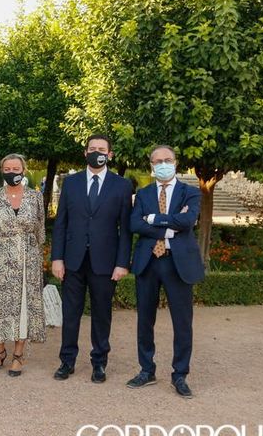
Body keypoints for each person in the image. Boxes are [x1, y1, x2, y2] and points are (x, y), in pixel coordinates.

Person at [50, 135, 133, 383]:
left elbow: (125, 229)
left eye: (101, 149)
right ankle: (67, 361)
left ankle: (99, 362)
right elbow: (61, 223)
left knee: (101, 314)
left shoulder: (122, 185)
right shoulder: (71, 183)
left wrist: (122, 263)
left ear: (110, 155)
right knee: (70, 313)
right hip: (73, 260)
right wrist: (57, 258)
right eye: (92, 148)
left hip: (105, 262)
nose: (96, 152)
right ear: (85, 153)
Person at [127, 145, 204, 398]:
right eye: (157, 161)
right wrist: (171, 226)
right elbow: (134, 223)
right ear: (151, 165)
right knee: (144, 320)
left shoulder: (190, 192)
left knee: (182, 322)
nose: (163, 164)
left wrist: (153, 219)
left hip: (178, 263)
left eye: (167, 160)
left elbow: (188, 221)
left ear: (176, 163)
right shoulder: (144, 193)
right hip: (148, 262)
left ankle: (180, 374)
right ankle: (146, 370)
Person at [0, 154, 46, 377]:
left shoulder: (35, 196)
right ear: (2, 171)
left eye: (16, 168)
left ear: (23, 170)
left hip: (28, 260)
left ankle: (18, 354)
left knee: (24, 307)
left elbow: (41, 231)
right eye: (7, 169)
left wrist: (38, 259)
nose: (12, 172)